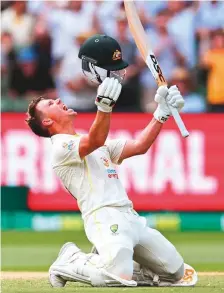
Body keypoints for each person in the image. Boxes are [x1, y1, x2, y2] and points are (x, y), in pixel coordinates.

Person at [26, 34, 197, 288]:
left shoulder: (93, 141)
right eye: (51, 103)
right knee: (116, 274)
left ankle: (131, 267)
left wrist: (161, 113)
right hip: (102, 218)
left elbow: (139, 146)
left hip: (130, 216)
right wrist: (104, 108)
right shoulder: (60, 147)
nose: (59, 100)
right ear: (47, 122)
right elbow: (94, 141)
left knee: (177, 273)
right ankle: (70, 260)